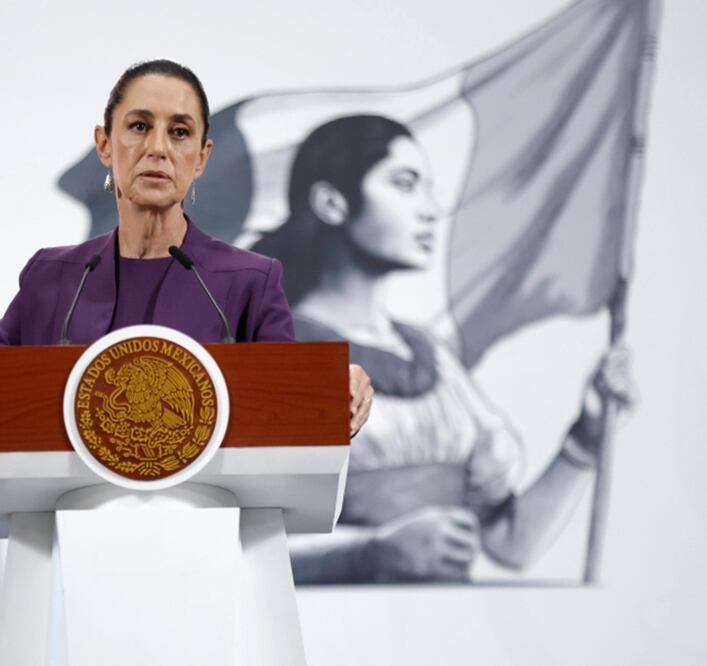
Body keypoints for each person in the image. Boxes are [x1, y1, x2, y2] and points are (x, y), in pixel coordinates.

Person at [0, 59, 375, 436]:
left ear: (203, 159)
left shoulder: (249, 280)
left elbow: (287, 416)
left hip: (207, 561)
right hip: (71, 555)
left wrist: (336, 392)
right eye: (139, 126)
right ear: (105, 146)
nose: (158, 148)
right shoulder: (53, 278)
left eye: (180, 132)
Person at [252, 114, 633, 583]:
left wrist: (587, 435)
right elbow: (238, 547)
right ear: (332, 202)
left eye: (428, 188)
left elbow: (510, 544)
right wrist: (370, 553)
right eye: (405, 184)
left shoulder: (432, 358)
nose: (430, 209)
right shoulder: (271, 351)